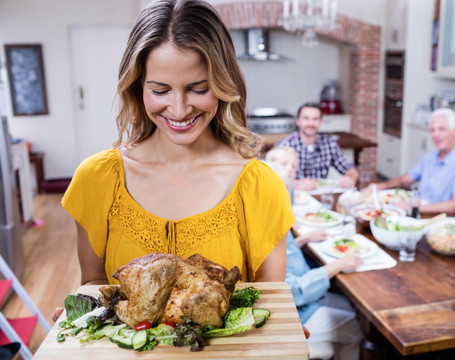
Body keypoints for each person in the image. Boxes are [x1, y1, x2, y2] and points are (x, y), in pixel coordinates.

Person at [61, 0, 295, 287]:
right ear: (137, 86)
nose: (180, 109)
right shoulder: (96, 178)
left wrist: (285, 329)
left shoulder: (261, 186)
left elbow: (269, 304)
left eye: (198, 89)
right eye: (160, 90)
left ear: (223, 84)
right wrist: (80, 321)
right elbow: (95, 285)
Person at [265, 146, 363, 360]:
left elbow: (283, 253)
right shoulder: (269, 228)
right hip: (297, 311)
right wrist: (336, 266)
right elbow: (293, 290)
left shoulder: (270, 219)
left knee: (354, 307)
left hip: (304, 297)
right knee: (356, 325)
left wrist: (302, 240)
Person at [367, 108, 455, 215]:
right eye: (432, 130)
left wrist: (413, 207)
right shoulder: (431, 157)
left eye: (442, 129)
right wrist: (379, 187)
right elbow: (404, 180)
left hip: (445, 223)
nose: (436, 135)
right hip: (422, 214)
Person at [275, 102, 359, 191]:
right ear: (298, 121)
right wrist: (295, 184)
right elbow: (273, 177)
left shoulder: (329, 144)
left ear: (320, 121)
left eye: (315, 119)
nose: (311, 123)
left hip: (322, 197)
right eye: (306, 118)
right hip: (293, 197)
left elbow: (350, 168)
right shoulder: (285, 145)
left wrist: (351, 178)